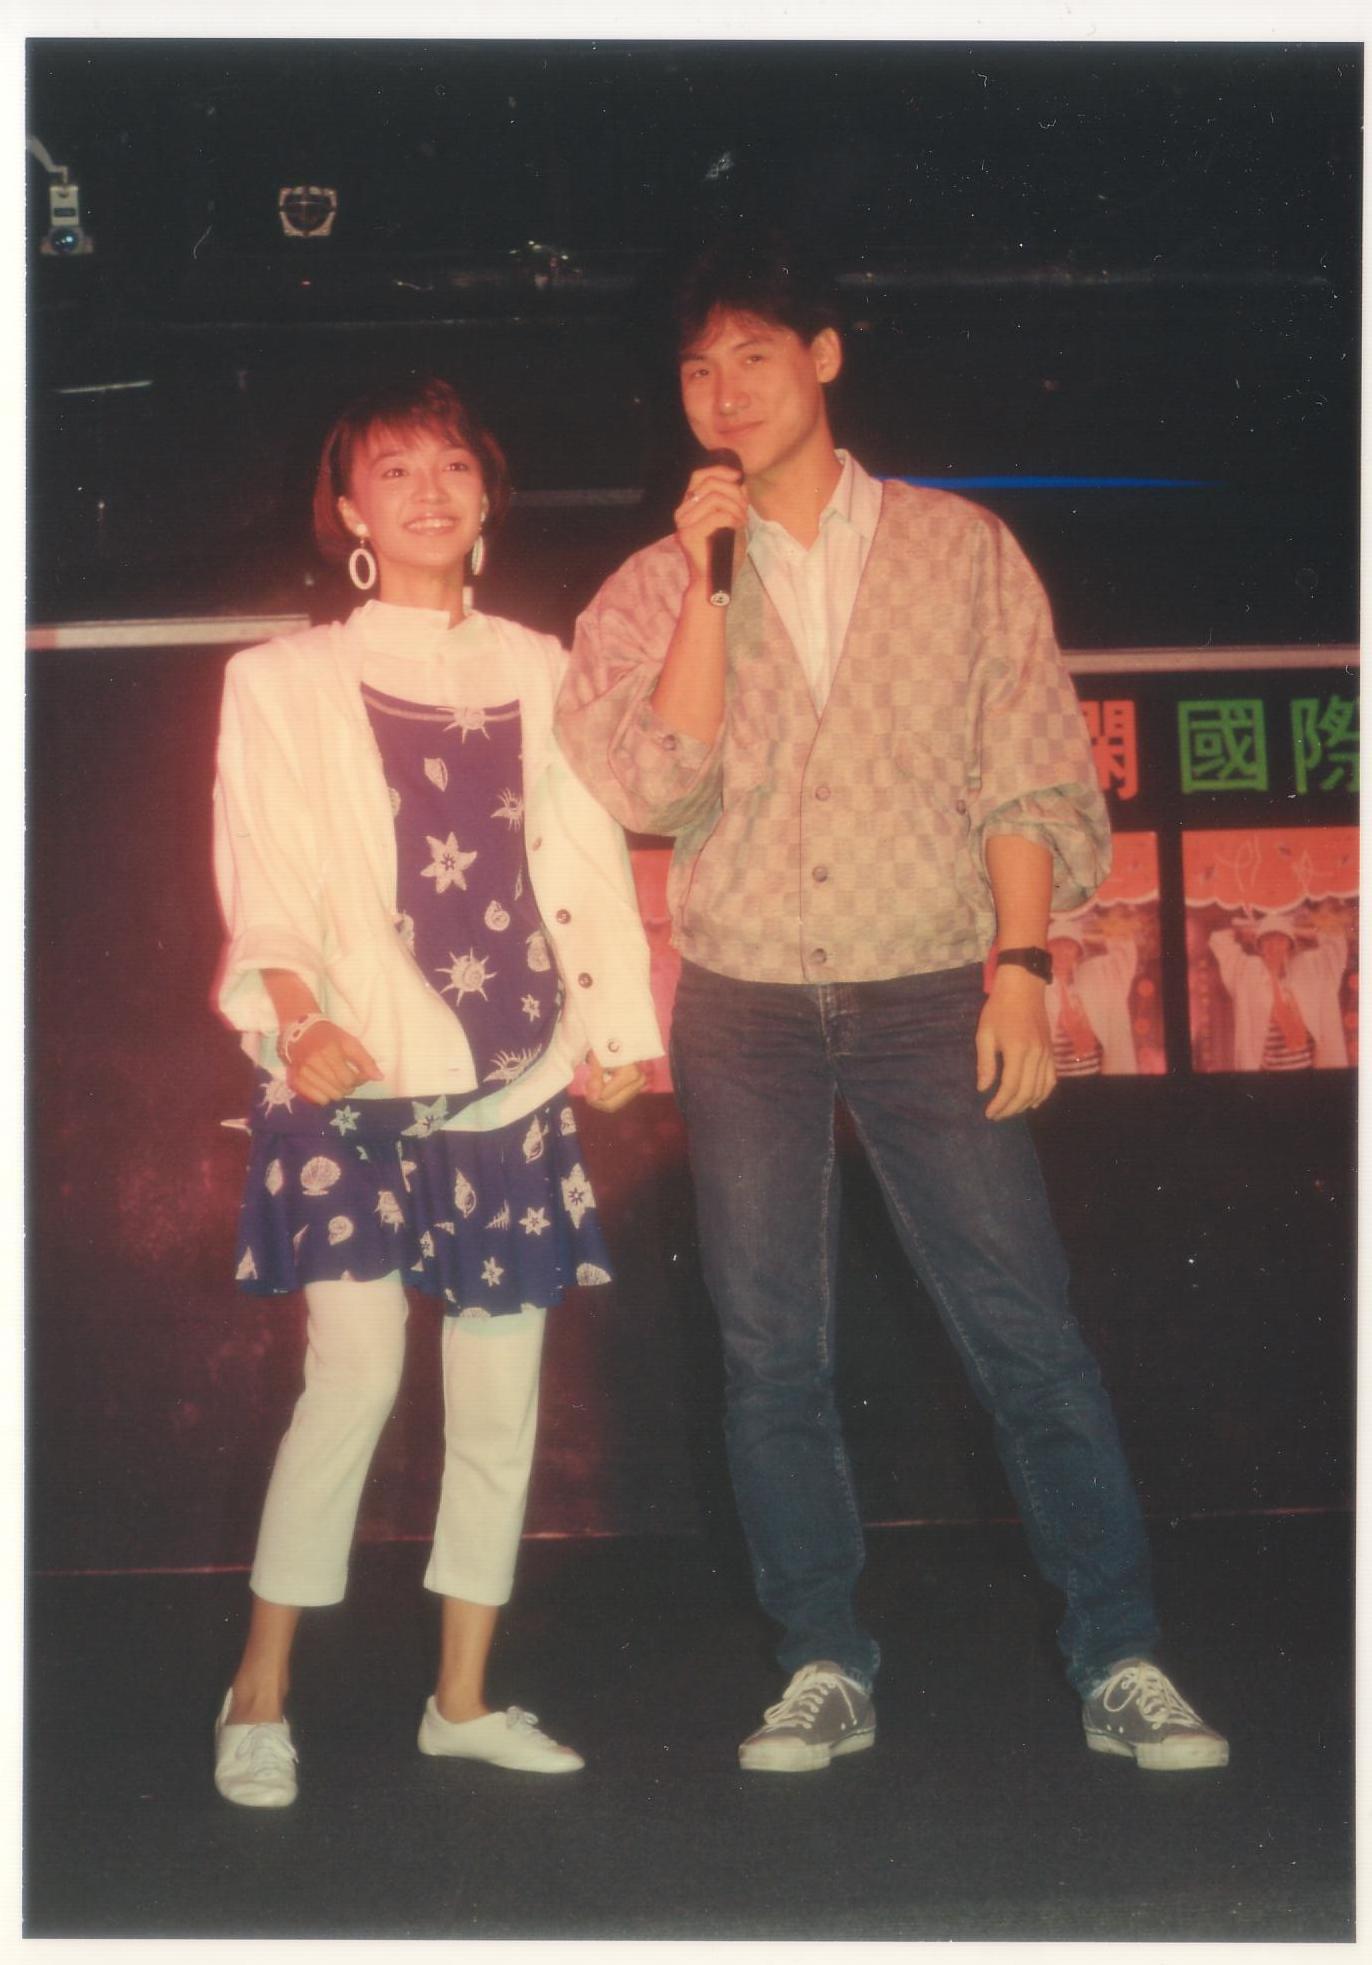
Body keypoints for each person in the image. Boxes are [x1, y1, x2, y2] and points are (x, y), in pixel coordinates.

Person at [556, 240, 1228, 1775]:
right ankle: (820, 1662)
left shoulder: (959, 548)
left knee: (1024, 1327)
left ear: (825, 356)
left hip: (930, 987)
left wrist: (1023, 968)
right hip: (745, 1005)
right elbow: (655, 788)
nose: (724, 394)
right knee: (769, 1351)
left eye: (754, 357)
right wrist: (709, 588)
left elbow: (1029, 771)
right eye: (698, 370)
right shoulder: (655, 583)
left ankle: (1121, 1650)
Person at [211, 376, 662, 1806]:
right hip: (351, 1073)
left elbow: (584, 858)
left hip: (512, 1075)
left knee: (500, 1400)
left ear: (485, 495)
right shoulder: (278, 679)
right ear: (349, 511)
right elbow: (264, 875)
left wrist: (616, 1026)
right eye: (392, 468)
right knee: (354, 1375)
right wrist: (296, 1019)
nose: (425, 489)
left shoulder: (542, 665)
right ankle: (257, 1693)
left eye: (451, 464)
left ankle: (461, 1700)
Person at [1209, 910, 1349, 1071]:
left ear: (1290, 945)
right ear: (1259, 945)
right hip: (1268, 1075)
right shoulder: (1248, 973)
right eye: (1267, 940)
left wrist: (1295, 930)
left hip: (1310, 1072)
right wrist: (1247, 931)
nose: (1274, 946)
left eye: (1281, 939)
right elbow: (1219, 939)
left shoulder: (1309, 969)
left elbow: (1335, 940)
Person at [1044, 916, 1139, 1076]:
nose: (1062, 952)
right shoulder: (1039, 986)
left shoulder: (1095, 978)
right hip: (1057, 1080)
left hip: (1095, 1077)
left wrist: (1086, 937)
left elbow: (1124, 952)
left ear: (1078, 952)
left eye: (1069, 946)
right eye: (1056, 945)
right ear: (1047, 950)